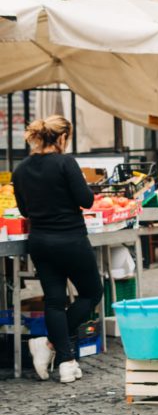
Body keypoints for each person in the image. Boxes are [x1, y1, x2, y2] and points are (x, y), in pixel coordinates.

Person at [12, 116, 103, 383]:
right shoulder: (66, 163)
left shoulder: (21, 169)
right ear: (62, 138)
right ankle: (52, 345)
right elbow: (86, 201)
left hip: (40, 241)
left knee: (54, 300)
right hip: (71, 240)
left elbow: (25, 211)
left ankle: (65, 361)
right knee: (91, 292)